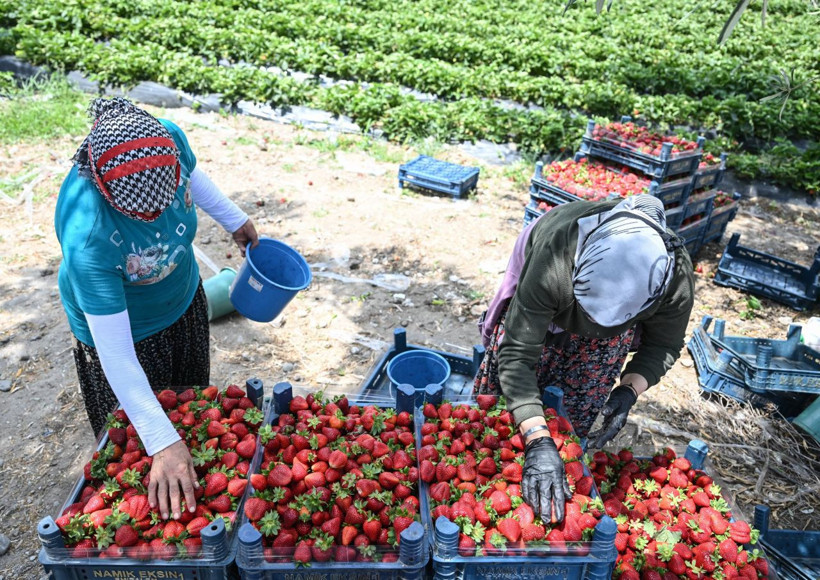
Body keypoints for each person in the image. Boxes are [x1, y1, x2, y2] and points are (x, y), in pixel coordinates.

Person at [54, 97, 259, 522]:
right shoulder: (87, 234)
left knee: (190, 405)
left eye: (165, 202)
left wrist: (233, 218)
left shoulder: (164, 139)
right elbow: (117, 356)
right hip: (127, 330)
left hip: (181, 299)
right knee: (136, 435)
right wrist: (162, 442)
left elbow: (193, 176)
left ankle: (182, 461)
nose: (158, 218)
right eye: (141, 214)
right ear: (106, 191)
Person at [475, 195, 695, 522]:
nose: (590, 328)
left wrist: (629, 390)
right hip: (549, 282)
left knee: (575, 409)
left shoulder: (673, 278)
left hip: (604, 329)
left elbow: (663, 344)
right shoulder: (555, 257)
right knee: (500, 408)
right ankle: (501, 447)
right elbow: (517, 353)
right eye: (588, 314)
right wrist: (537, 439)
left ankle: (555, 468)